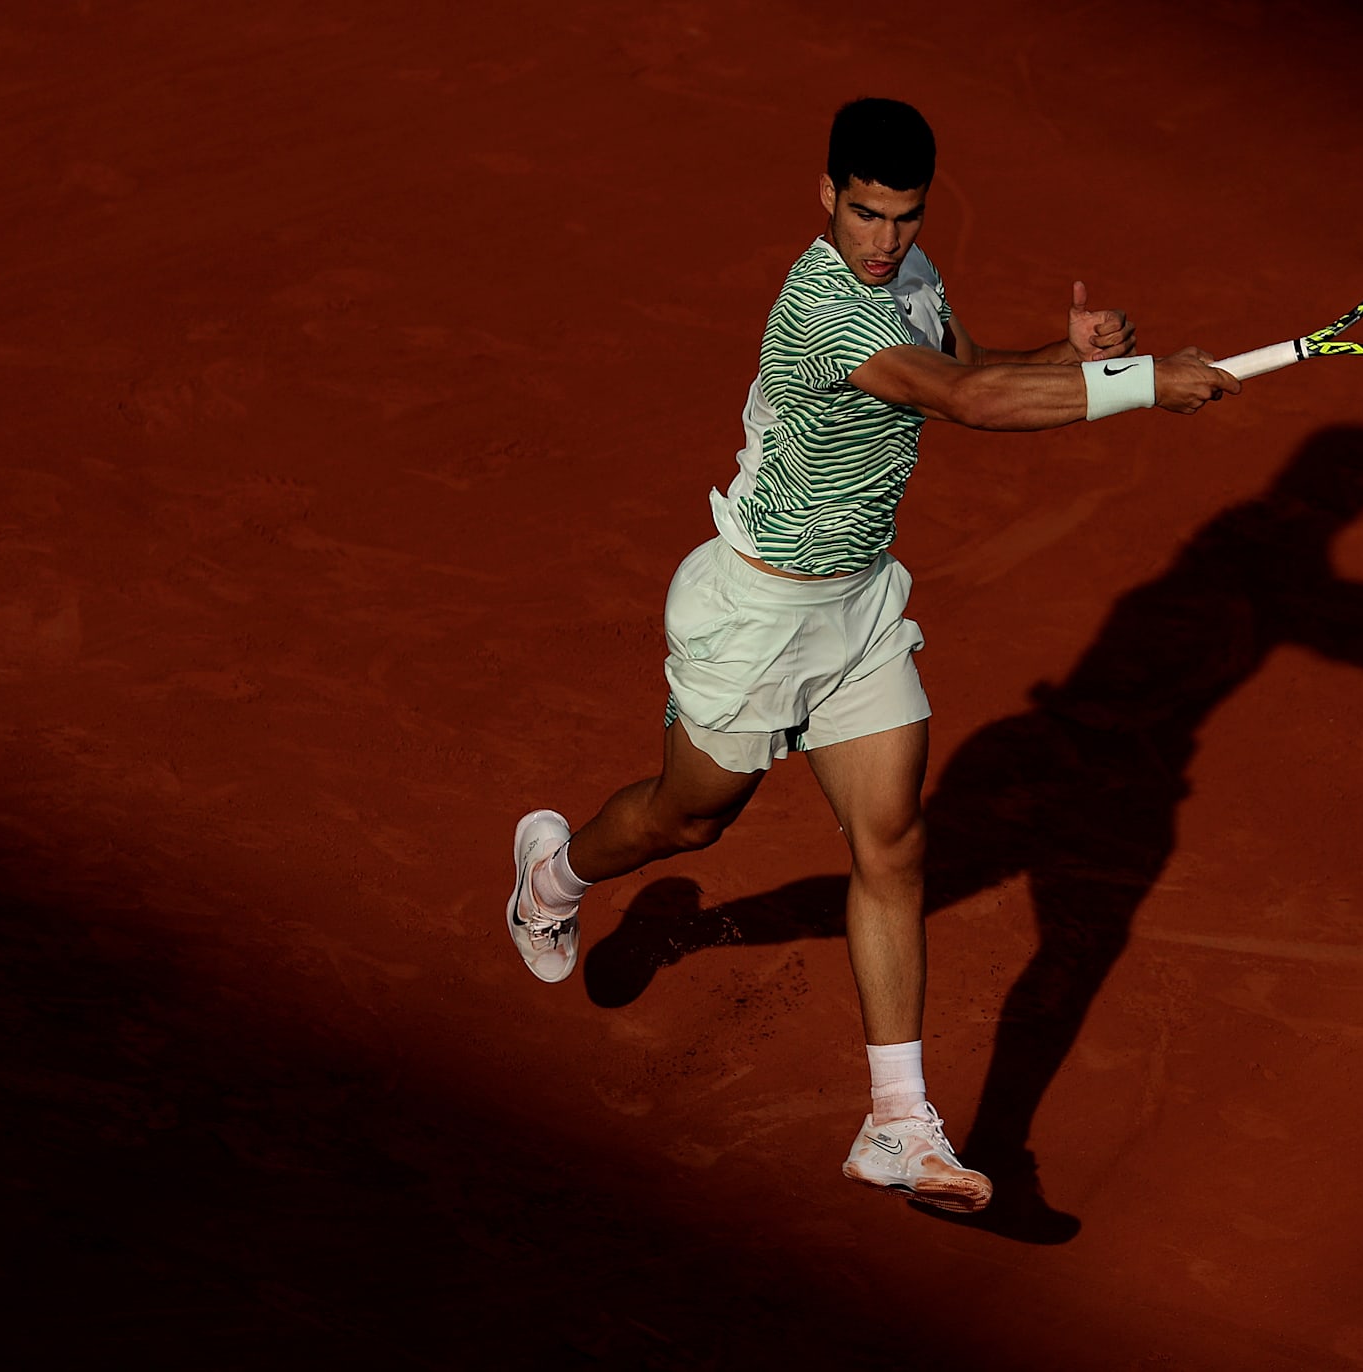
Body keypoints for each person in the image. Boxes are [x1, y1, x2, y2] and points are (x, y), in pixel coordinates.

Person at [501, 97, 1238, 1214]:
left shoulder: (909, 278)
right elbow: (971, 402)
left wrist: (1069, 353)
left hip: (854, 611)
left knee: (892, 843)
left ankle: (898, 1124)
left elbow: (977, 364)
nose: (883, 239)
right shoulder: (825, 312)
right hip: (754, 615)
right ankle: (550, 878)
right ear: (825, 196)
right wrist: (1139, 387)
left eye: (902, 216)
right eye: (863, 213)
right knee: (689, 816)